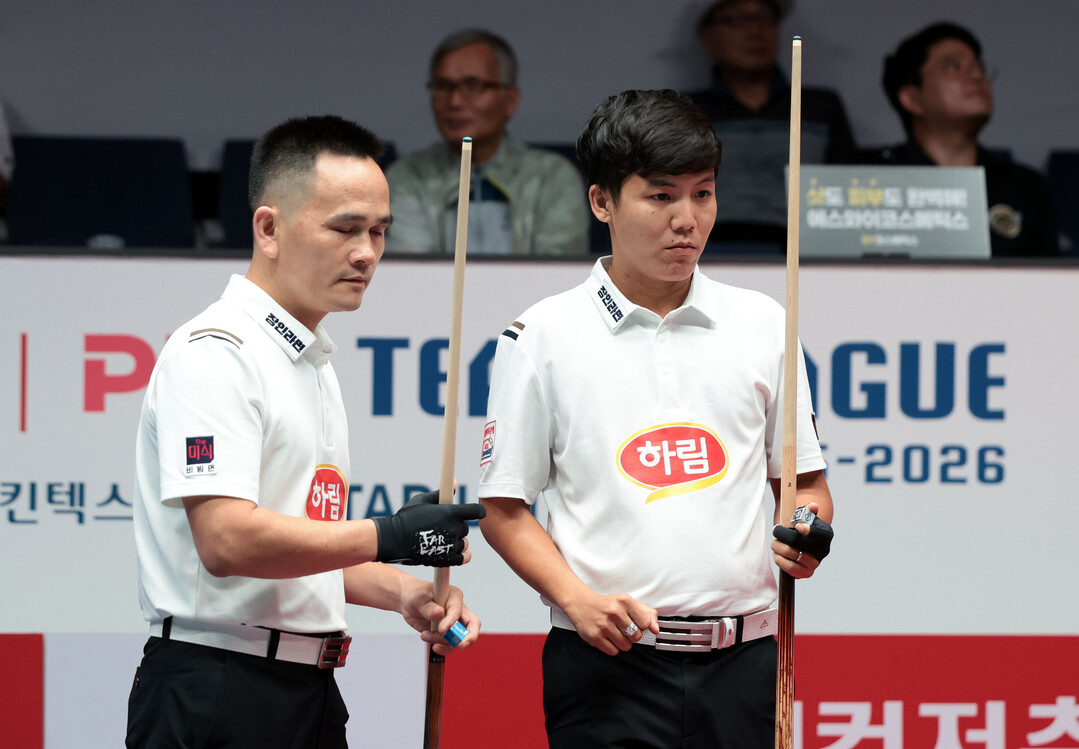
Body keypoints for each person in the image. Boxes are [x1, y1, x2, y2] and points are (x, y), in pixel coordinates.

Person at [477, 90, 835, 748]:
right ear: (601, 202)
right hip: (605, 663)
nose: (686, 220)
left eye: (703, 194)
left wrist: (808, 531)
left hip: (744, 661)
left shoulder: (764, 323)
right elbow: (503, 509)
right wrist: (576, 599)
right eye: (661, 196)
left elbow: (803, 484)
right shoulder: (542, 335)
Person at [126, 115, 487, 749]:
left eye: (379, 231)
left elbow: (299, 555)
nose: (366, 252)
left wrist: (404, 591)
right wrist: (389, 535)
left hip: (308, 692)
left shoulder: (307, 358)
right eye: (345, 229)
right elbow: (228, 541)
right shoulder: (217, 351)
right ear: (268, 228)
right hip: (219, 689)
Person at [385, 28, 590, 255]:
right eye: (443, 86)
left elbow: (557, 270)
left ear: (510, 100)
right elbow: (412, 270)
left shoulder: (552, 178)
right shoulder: (406, 177)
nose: (454, 101)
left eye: (472, 86)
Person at [865, 21, 1058, 257]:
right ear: (912, 99)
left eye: (979, 67)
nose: (977, 76)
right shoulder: (873, 182)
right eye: (954, 67)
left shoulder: (1024, 187)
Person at [688, 0, 855, 251]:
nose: (755, 31)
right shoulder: (686, 111)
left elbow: (848, 191)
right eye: (735, 20)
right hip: (708, 252)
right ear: (706, 36)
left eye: (764, 19)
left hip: (808, 253)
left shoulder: (820, 106)